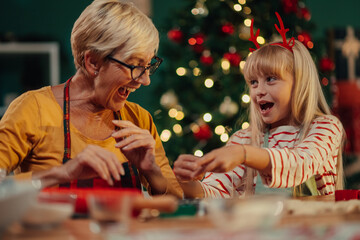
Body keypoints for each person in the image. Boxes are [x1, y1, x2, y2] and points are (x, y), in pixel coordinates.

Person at [0, 0, 182, 198]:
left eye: (147, 66)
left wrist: (151, 171)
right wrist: (62, 174)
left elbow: (176, 201)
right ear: (93, 62)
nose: (145, 80)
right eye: (134, 66)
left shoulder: (139, 118)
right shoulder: (33, 109)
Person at [173, 13, 345, 199]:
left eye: (270, 79)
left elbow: (300, 165)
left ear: (301, 83)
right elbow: (214, 192)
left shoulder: (325, 127)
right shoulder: (243, 139)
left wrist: (243, 154)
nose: (258, 91)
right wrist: (185, 183)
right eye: (253, 82)